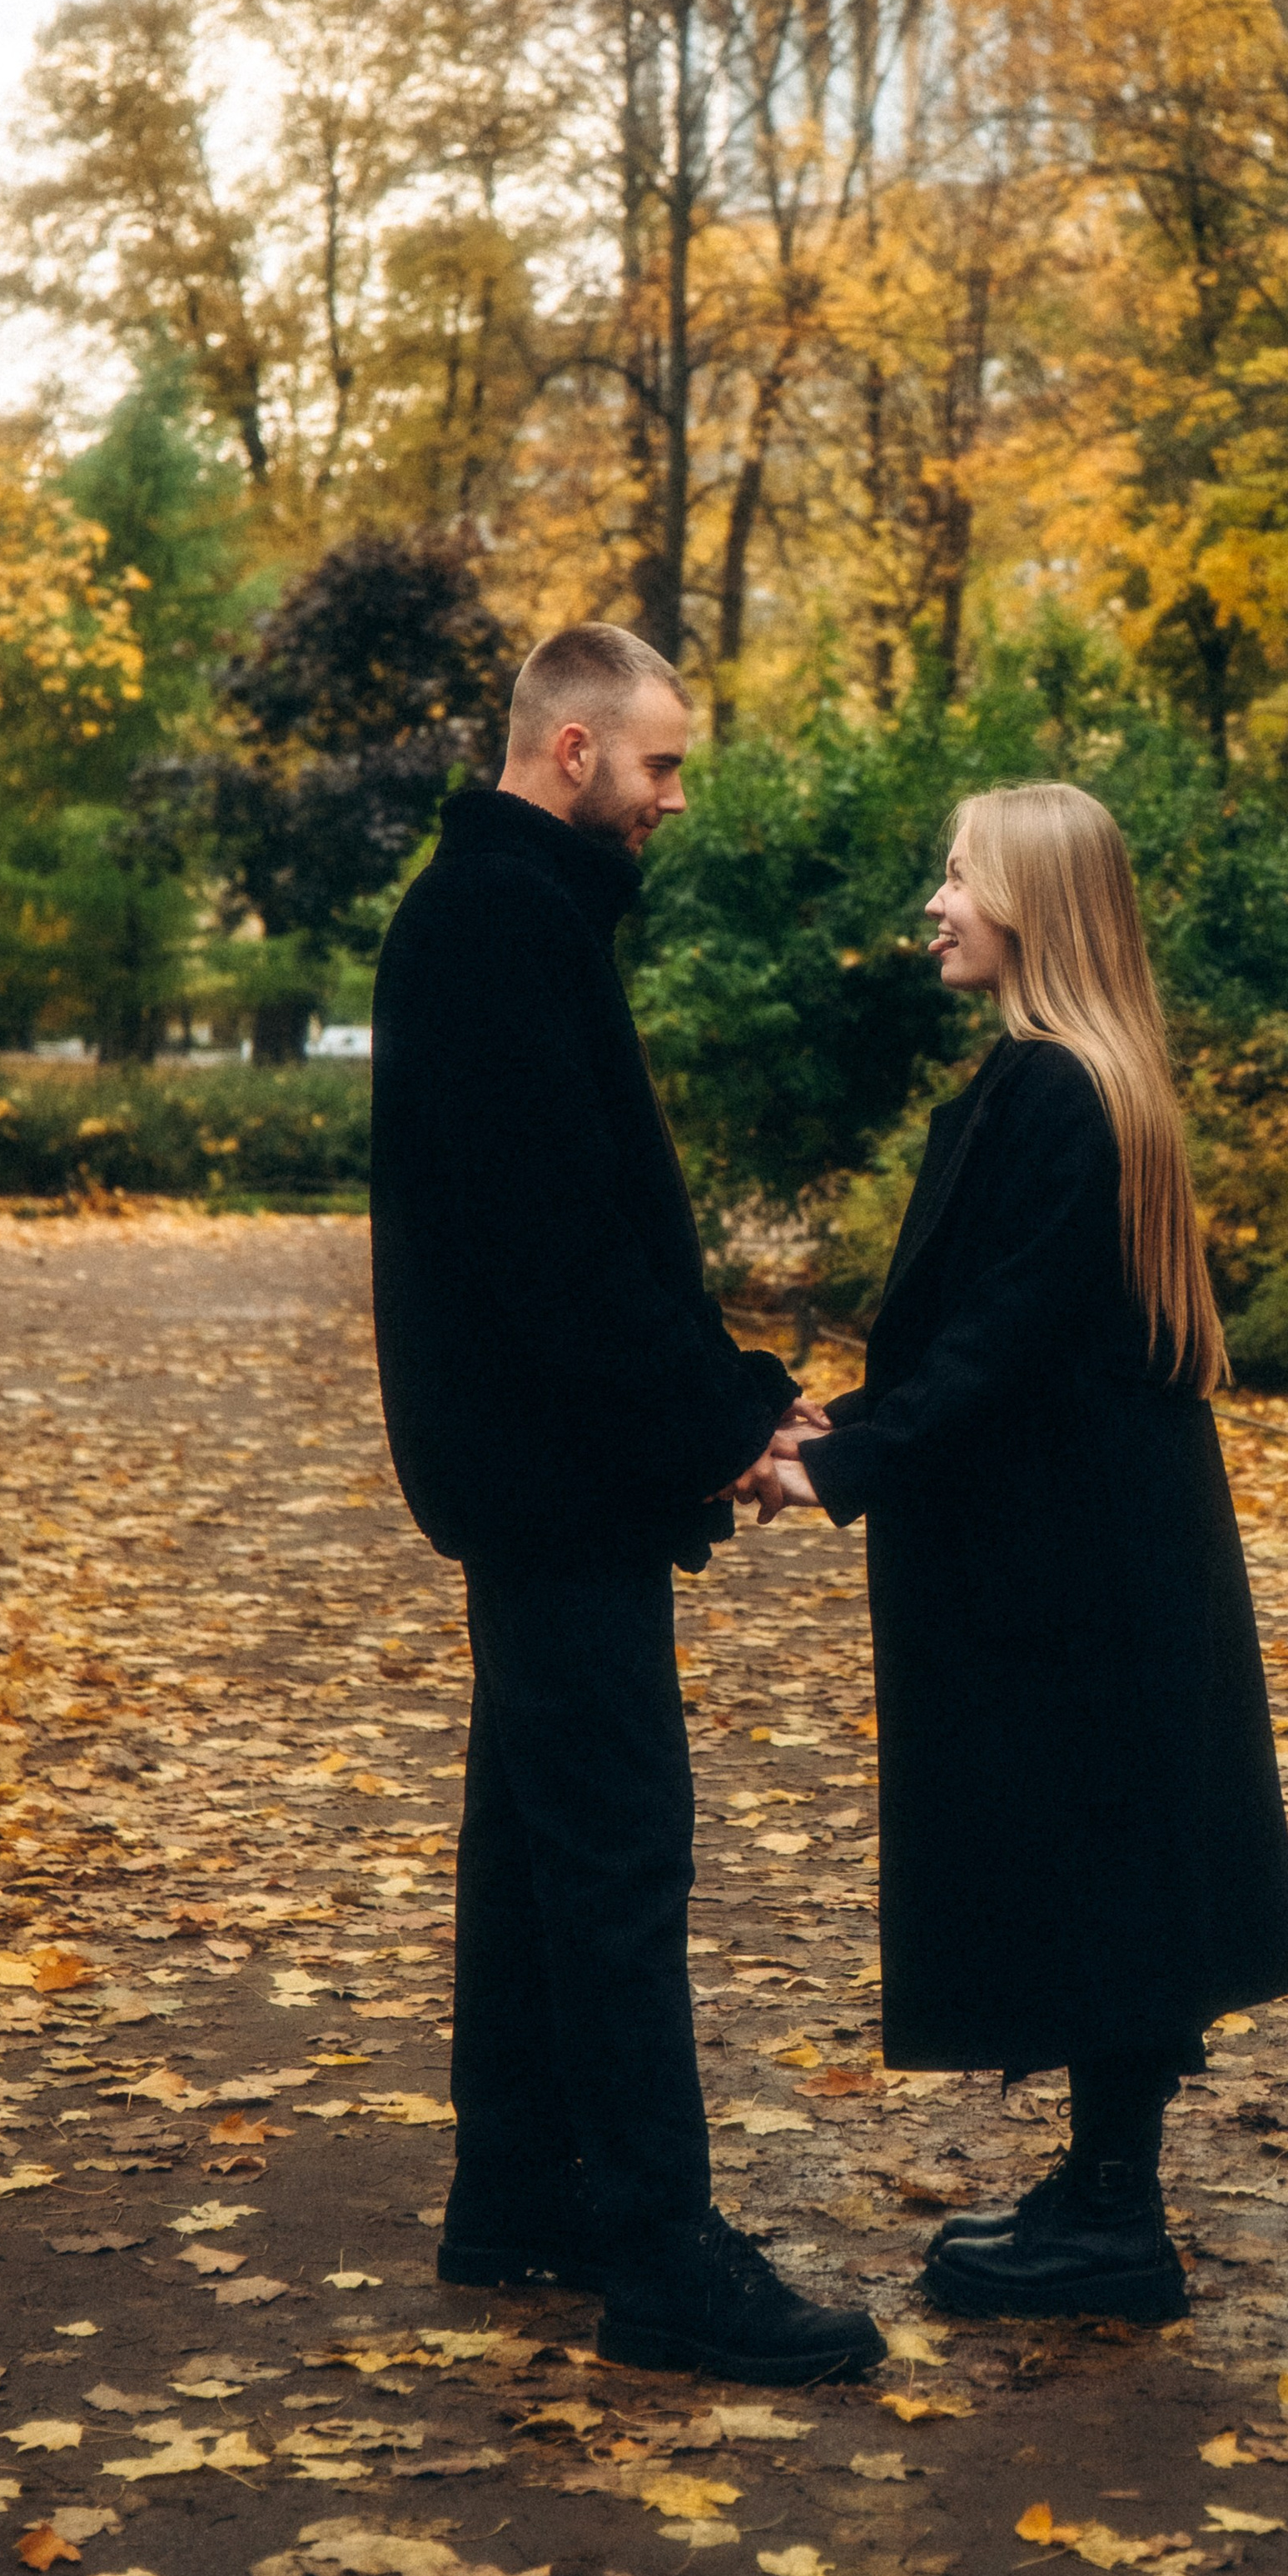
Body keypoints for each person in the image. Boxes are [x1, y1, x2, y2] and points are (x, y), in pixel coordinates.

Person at [370, 620, 884, 2386]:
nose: (673, 797)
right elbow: (560, 1255)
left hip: (539, 1466)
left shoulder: (504, 915)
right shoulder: (499, 926)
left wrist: (722, 1389)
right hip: (551, 1470)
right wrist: (718, 1420)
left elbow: (585, 1232)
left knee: (530, 1838)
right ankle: (661, 2248)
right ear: (573, 752)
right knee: (613, 1851)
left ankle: (516, 2192)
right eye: (659, 764)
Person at [767, 781, 1288, 2324]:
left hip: (1077, 1562)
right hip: (1097, 1545)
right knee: (1112, 1854)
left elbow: (1002, 1345)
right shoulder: (1074, 1081)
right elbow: (1013, 1333)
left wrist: (843, 1463)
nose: (933, 904)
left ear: (1033, 906)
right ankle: (1101, 2191)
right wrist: (840, 1426)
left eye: (958, 877)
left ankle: (1117, 2227)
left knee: (1103, 1858)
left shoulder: (1059, 1092)